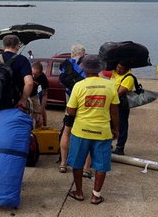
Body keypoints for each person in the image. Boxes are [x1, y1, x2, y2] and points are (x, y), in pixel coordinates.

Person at [65, 54, 119, 205]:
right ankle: (96, 195)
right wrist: (116, 129)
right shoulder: (110, 85)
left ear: (84, 70)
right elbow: (114, 111)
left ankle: (79, 192)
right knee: (101, 165)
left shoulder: (79, 86)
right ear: (99, 69)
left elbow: (70, 110)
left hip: (81, 131)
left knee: (77, 162)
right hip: (102, 131)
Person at [59, 44, 91, 175]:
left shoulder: (66, 64)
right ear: (83, 53)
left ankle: (63, 163)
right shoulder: (85, 65)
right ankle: (86, 168)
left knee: (67, 132)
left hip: (70, 101)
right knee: (88, 134)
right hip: (84, 104)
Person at [0, 35, 33, 116]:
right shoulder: (22, 60)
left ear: (3, 46)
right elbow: (29, 83)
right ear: (17, 46)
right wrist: (23, 100)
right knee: (12, 127)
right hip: (14, 104)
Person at [111, 61, 134, 155]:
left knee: (122, 125)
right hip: (112, 103)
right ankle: (108, 144)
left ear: (127, 69)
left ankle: (120, 147)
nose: (119, 70)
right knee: (110, 124)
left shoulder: (129, 77)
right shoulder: (114, 73)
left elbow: (119, 92)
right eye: (118, 67)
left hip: (121, 104)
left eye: (121, 68)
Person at [30, 61, 49, 128]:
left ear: (40, 73)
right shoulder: (26, 73)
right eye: (32, 73)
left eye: (36, 74)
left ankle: (36, 133)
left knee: (39, 119)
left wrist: (41, 111)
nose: (33, 76)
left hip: (34, 96)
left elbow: (44, 95)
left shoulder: (43, 78)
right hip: (25, 95)